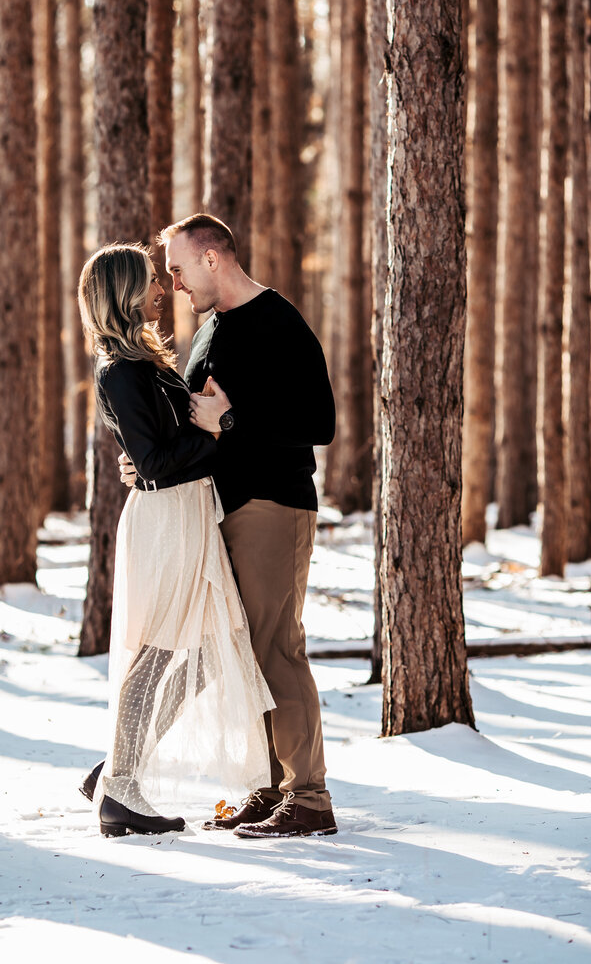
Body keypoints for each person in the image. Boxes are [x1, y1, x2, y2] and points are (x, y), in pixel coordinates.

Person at [120, 214, 338, 839]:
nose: (176, 285)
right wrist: (149, 457)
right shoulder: (209, 330)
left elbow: (317, 423)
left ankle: (310, 797)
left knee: (274, 646)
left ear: (213, 259)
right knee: (240, 649)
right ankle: (268, 790)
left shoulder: (279, 323)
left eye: (180, 270)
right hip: (224, 508)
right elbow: (199, 421)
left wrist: (234, 422)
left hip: (274, 504)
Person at [77, 242, 274, 838]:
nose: (162, 290)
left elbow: (158, 451)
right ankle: (119, 789)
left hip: (187, 512)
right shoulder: (121, 370)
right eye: (149, 283)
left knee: (212, 649)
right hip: (165, 519)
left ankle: (119, 766)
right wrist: (214, 433)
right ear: (122, 292)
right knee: (159, 651)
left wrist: (207, 425)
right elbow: (157, 461)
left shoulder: (145, 362)